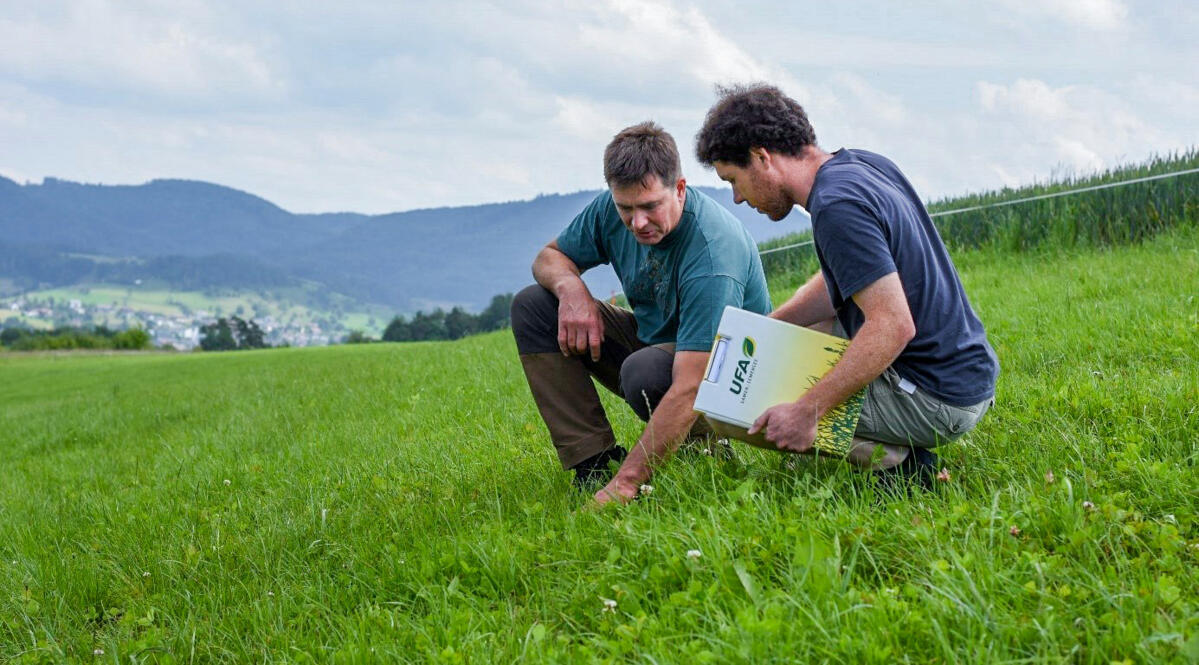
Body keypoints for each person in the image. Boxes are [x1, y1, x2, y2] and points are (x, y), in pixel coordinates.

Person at [694, 84, 998, 487]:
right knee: (786, 346)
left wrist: (808, 412)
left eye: (734, 179)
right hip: (964, 369)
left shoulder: (836, 206)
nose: (736, 198)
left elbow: (892, 325)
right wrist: (769, 328)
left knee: (730, 405)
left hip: (938, 395)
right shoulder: (862, 167)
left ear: (761, 157)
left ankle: (902, 467)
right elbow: (851, 276)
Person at [511, 121, 771, 505]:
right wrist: (572, 290)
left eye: (650, 207)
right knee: (534, 306)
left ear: (679, 189)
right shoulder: (611, 210)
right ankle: (593, 465)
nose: (638, 223)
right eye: (626, 209)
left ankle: (707, 455)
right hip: (659, 345)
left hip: (734, 377)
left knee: (645, 370)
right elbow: (550, 257)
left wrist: (628, 483)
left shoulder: (713, 251)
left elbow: (693, 382)